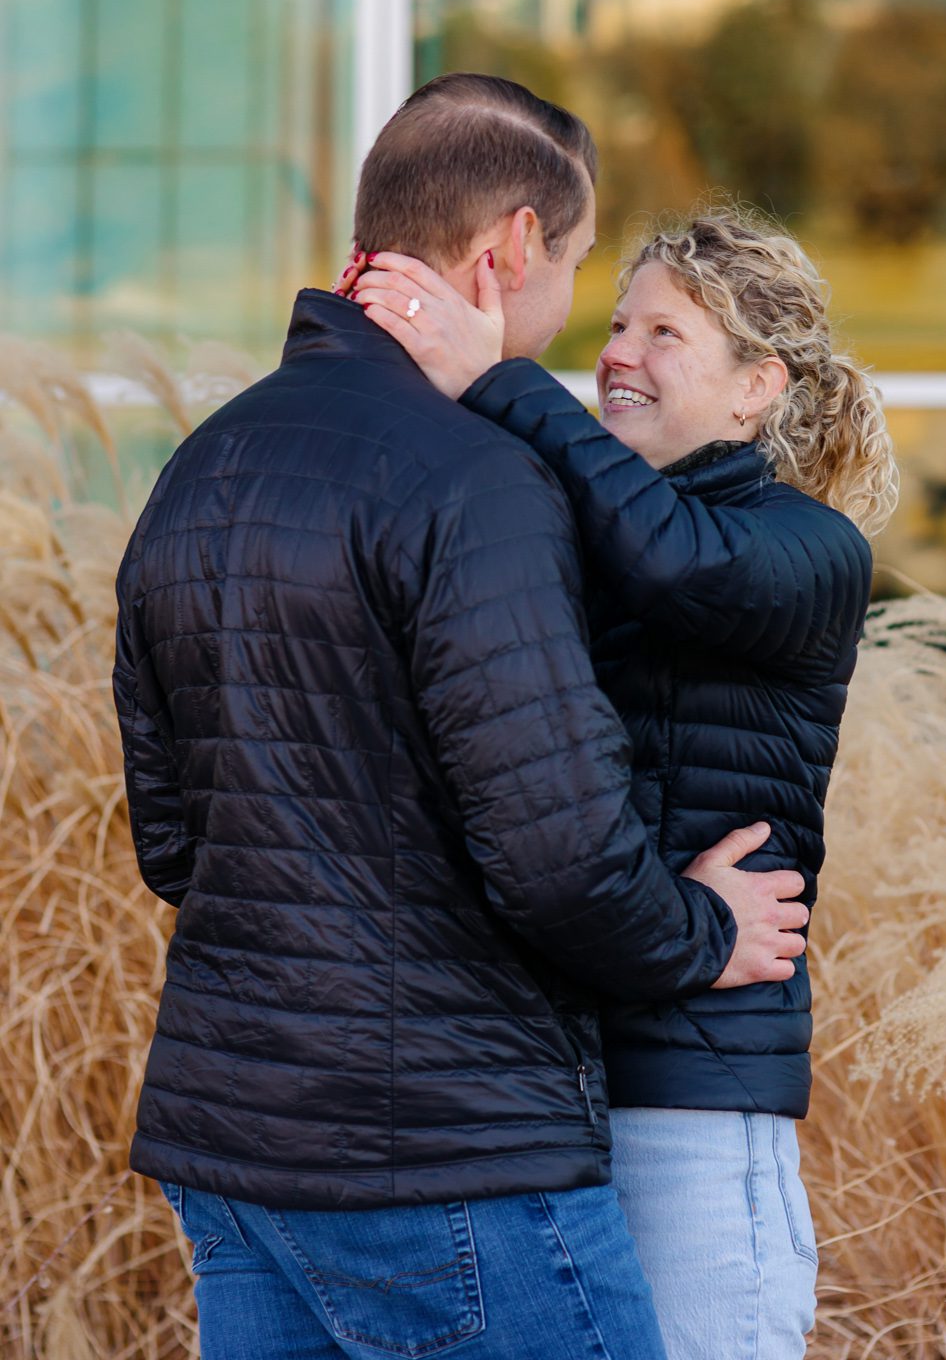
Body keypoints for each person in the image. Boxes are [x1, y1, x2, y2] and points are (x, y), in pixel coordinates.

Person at [112, 74, 812, 1360]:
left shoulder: (201, 466)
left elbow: (172, 838)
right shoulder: (479, 479)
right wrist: (701, 930)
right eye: (578, 272)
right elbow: (558, 853)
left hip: (234, 1152)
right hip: (449, 1151)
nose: (575, 326)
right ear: (509, 251)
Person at [346, 199, 897, 1360]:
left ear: (758, 387)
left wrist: (499, 376)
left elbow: (677, 559)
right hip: (561, 1086)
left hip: (696, 1096)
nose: (615, 352)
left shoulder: (807, 549)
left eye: (663, 333)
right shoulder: (585, 523)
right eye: (613, 322)